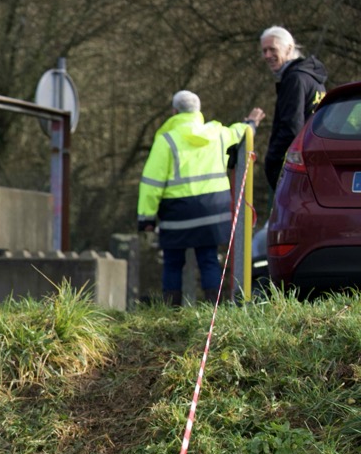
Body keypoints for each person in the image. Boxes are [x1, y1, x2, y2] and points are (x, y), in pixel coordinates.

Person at [138, 90, 262, 306]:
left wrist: (146, 218)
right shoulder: (217, 133)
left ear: (174, 111)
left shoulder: (166, 140)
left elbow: (152, 183)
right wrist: (251, 122)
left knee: (173, 263)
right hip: (212, 211)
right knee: (209, 259)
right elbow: (240, 132)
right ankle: (214, 307)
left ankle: (171, 311)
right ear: (198, 110)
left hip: (177, 213)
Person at [259, 26, 327, 194]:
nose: (267, 55)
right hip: (313, 162)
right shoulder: (312, 78)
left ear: (289, 49)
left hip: (295, 169)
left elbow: (291, 127)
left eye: (272, 49)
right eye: (264, 51)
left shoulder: (294, 79)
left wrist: (273, 162)